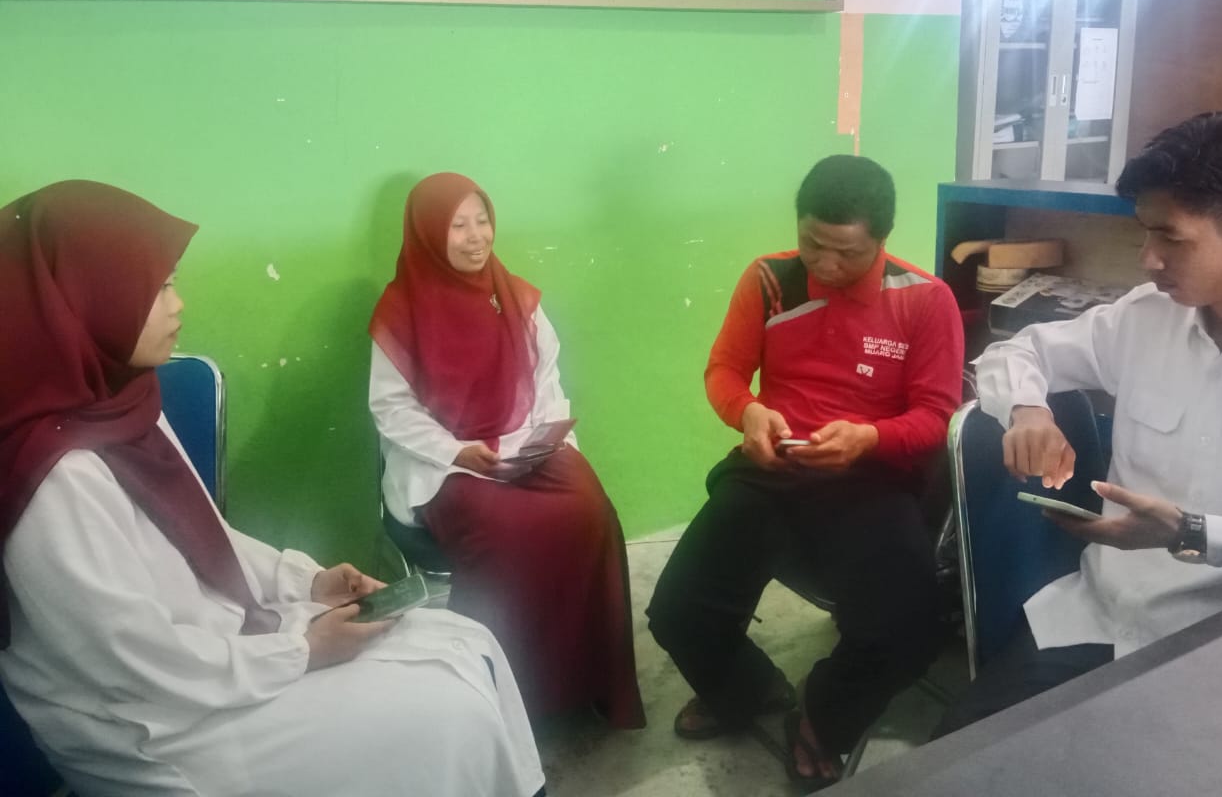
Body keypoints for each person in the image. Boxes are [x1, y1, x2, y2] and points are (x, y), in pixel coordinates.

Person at [0, 180, 545, 797]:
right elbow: (137, 663)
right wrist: (302, 650)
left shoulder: (122, 404)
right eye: (158, 288)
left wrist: (308, 583)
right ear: (82, 304)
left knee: (466, 640)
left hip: (220, 653)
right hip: (158, 730)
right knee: (449, 711)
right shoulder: (56, 479)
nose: (178, 305)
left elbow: (203, 536)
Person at [934, 110, 1222, 736]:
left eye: (1171, 238)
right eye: (1145, 233)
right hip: (1099, 617)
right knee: (957, 759)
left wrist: (1195, 533)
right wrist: (1027, 410)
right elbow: (1015, 352)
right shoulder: (1146, 319)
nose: (1148, 259)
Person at [646, 154, 964, 790]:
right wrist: (749, 413)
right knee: (679, 611)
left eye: (846, 252)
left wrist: (870, 437)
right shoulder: (770, 279)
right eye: (812, 243)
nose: (825, 264)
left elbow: (936, 416)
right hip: (774, 466)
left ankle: (822, 717)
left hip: (870, 477)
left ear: (882, 239)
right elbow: (725, 371)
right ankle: (748, 690)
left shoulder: (925, 299)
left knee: (909, 627)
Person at [368, 172, 644, 729]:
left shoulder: (515, 296)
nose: (476, 237)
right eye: (458, 226)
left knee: (590, 512)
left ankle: (593, 681)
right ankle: (505, 698)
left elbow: (546, 383)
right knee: (507, 534)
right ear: (428, 235)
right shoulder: (401, 312)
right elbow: (391, 410)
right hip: (446, 465)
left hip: (524, 446)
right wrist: (457, 452)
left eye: (483, 220)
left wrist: (546, 443)